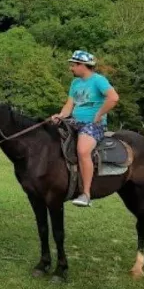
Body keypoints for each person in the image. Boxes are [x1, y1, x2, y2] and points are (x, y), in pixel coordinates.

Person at [51, 50, 120, 207]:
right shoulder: (75, 83)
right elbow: (69, 105)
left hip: (93, 125)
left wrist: (99, 114)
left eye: (73, 65)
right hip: (75, 121)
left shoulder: (98, 80)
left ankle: (86, 194)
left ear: (83, 65)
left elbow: (114, 98)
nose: (71, 68)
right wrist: (61, 115)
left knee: (83, 151)